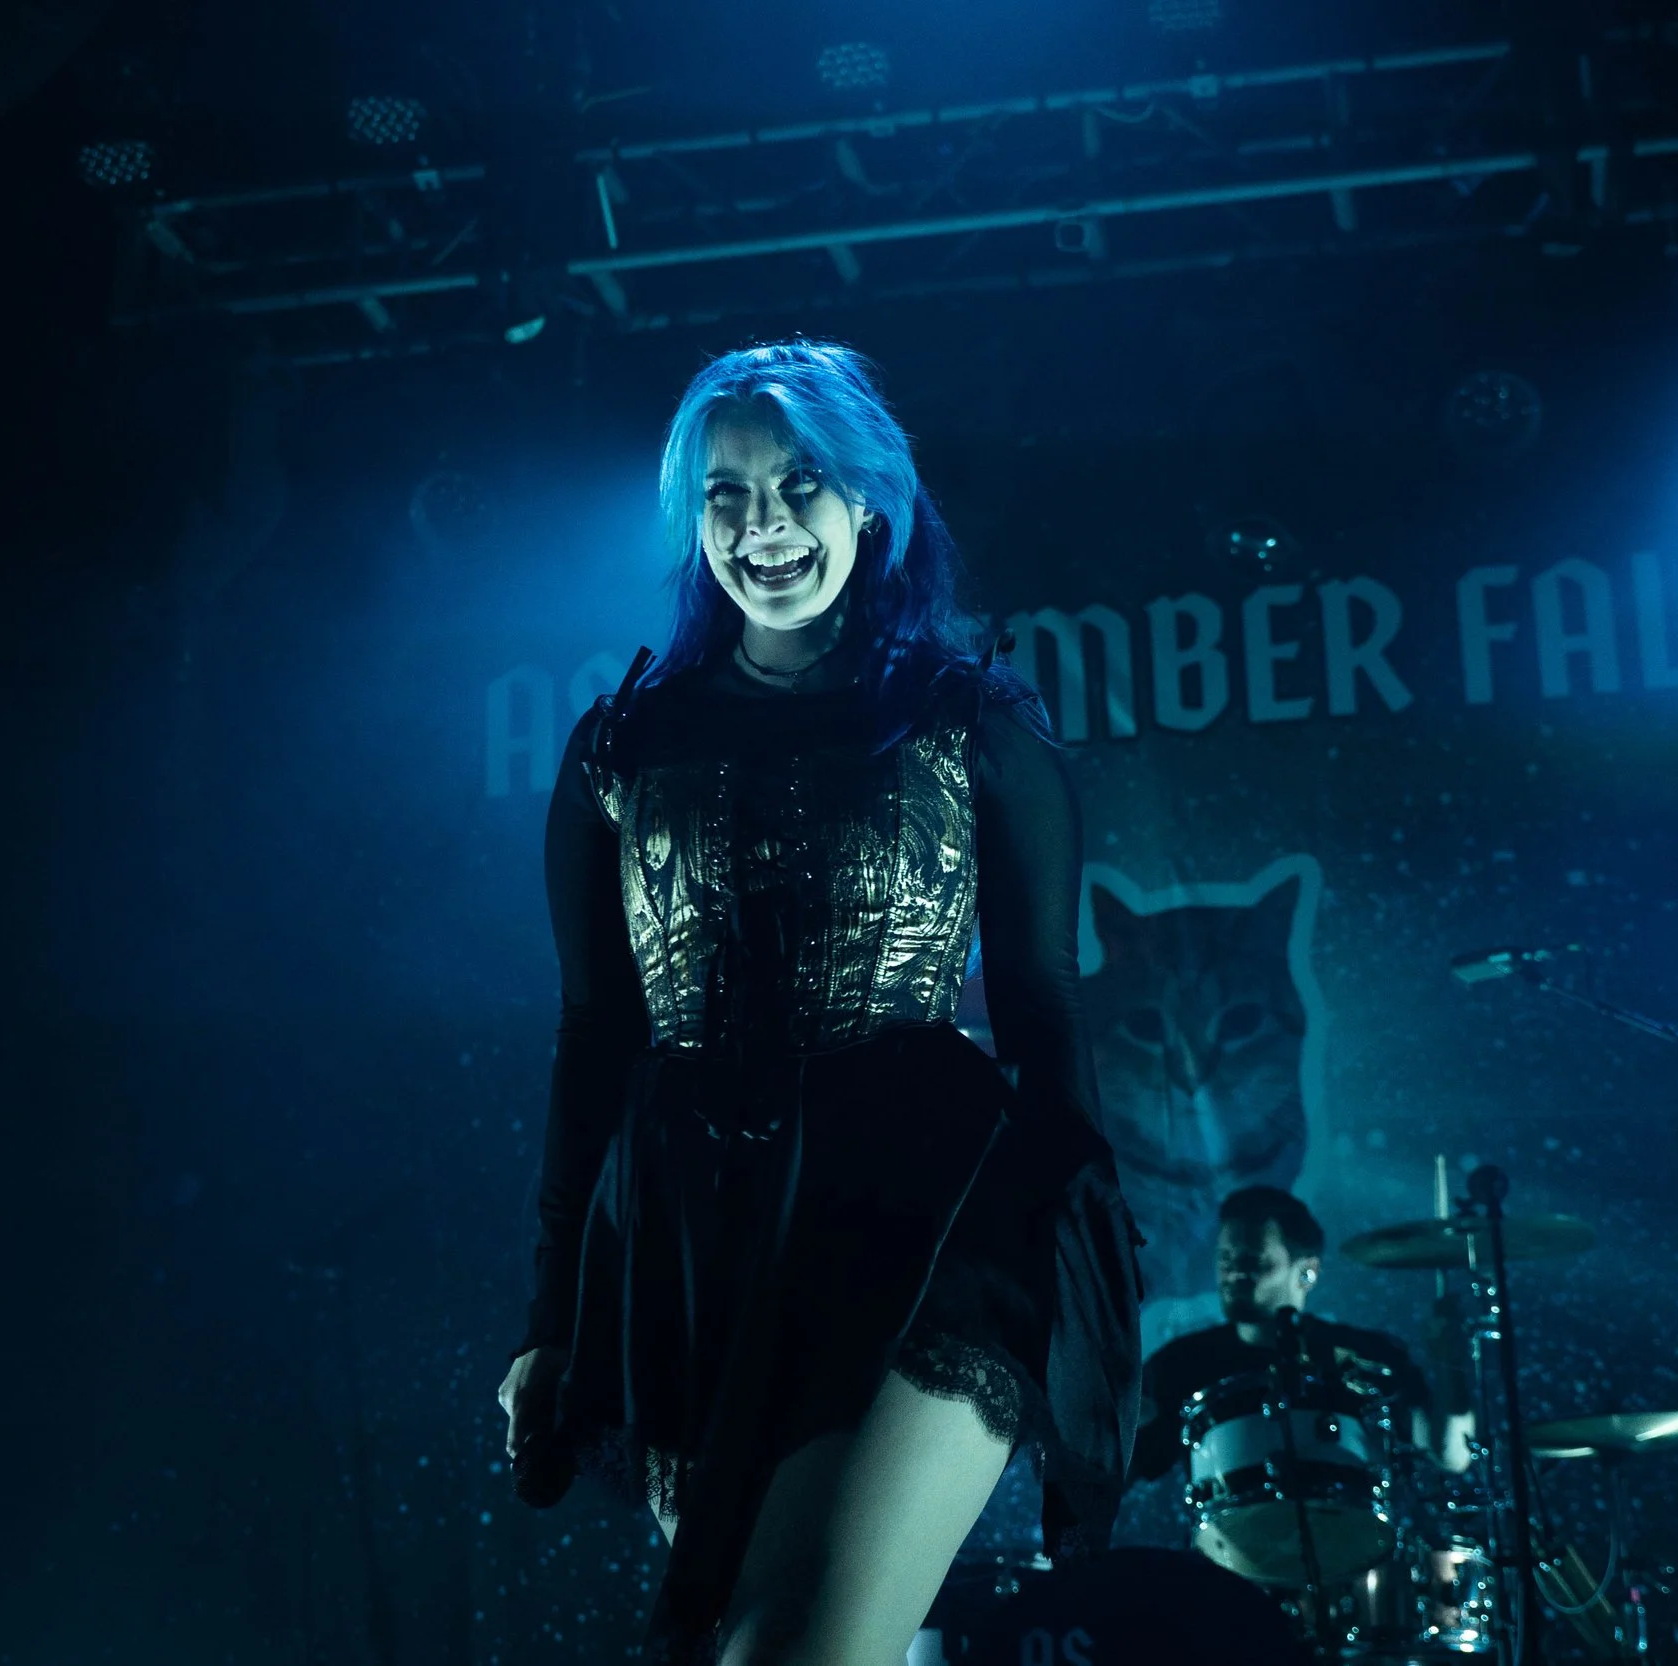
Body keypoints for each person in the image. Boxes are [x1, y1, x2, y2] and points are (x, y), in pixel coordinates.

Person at [495, 340, 1143, 1666]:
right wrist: (552, 1317)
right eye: (725, 493)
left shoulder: (974, 728)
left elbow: (1043, 1013)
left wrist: (1093, 1285)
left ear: (871, 502)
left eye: (798, 483)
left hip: (925, 1221)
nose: (764, 524)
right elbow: (594, 1043)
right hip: (695, 1238)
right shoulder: (623, 749)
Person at [1133, 1186, 1469, 1547]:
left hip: (1351, 1557)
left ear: (1307, 1272)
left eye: (1253, 1261)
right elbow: (1127, 1468)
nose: (1233, 1275)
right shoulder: (1180, 1364)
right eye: (1225, 1259)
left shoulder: (1368, 1355)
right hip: (1229, 1564)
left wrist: (1453, 1362)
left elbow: (1451, 1455)